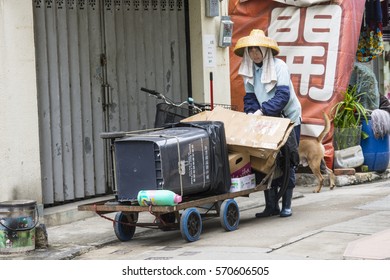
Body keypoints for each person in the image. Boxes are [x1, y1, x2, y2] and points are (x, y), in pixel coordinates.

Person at [233, 29, 302, 218]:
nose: (254, 54)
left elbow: (282, 96)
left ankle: (286, 204)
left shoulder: (279, 67)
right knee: (263, 160)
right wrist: (251, 113)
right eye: (251, 50)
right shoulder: (248, 70)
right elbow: (249, 97)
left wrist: (262, 111)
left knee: (288, 160)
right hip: (266, 120)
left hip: (287, 118)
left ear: (265, 50)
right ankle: (271, 206)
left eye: (257, 50)